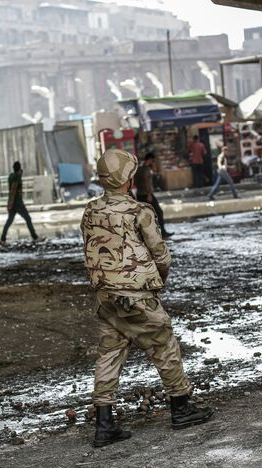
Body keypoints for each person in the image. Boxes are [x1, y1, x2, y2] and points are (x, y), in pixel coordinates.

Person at [81, 149, 213, 447]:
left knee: (109, 352)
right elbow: (160, 254)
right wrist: (159, 278)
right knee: (163, 344)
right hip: (136, 294)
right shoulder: (139, 211)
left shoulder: (90, 211)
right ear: (128, 178)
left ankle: (104, 423)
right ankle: (181, 407)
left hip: (106, 295)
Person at [0, 161, 40, 246]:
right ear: (19, 168)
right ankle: (35, 237)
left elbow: (12, 187)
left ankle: (3, 239)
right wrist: (12, 202)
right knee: (28, 219)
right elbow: (14, 189)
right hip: (17, 203)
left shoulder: (11, 176)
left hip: (12, 202)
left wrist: (10, 202)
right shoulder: (17, 178)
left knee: (9, 221)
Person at [134, 152, 172, 237]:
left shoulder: (139, 169)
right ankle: (162, 231)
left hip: (139, 194)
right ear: (150, 160)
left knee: (144, 214)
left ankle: (145, 234)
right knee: (159, 212)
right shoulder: (147, 170)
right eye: (153, 160)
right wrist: (149, 194)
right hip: (147, 194)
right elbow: (147, 182)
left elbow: (135, 181)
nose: (154, 162)